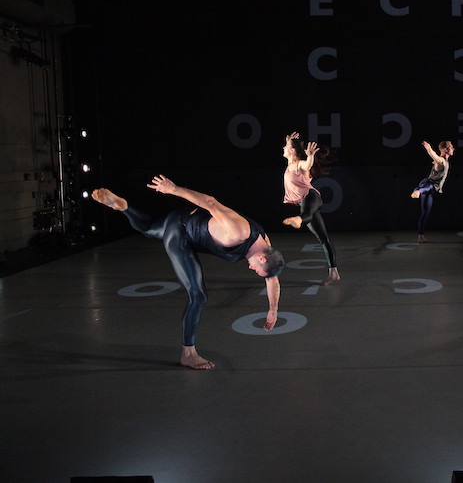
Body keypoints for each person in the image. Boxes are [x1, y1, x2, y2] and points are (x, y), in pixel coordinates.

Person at [91, 175, 284, 370]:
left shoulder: (265, 245)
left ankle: (123, 207)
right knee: (197, 296)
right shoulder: (240, 232)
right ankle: (188, 354)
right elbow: (210, 202)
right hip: (182, 233)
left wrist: (273, 310)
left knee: (149, 229)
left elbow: (272, 279)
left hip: (185, 219)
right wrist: (173, 189)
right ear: (262, 258)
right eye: (257, 270)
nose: (251, 269)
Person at [281, 131, 340, 285]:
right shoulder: (290, 164)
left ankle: (298, 219)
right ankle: (333, 272)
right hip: (304, 202)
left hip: (311, 197)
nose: (283, 148)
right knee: (323, 238)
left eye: (286, 147)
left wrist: (310, 155)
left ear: (292, 151)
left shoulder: (299, 164)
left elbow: (307, 164)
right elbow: (291, 151)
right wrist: (289, 139)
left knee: (305, 214)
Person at [411, 140, 455, 243]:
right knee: (429, 187)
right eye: (451, 147)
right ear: (445, 149)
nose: (453, 149)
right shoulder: (441, 161)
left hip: (431, 190)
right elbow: (434, 156)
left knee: (425, 213)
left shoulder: (443, 161)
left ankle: (420, 237)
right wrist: (429, 148)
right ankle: (418, 191)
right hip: (427, 185)